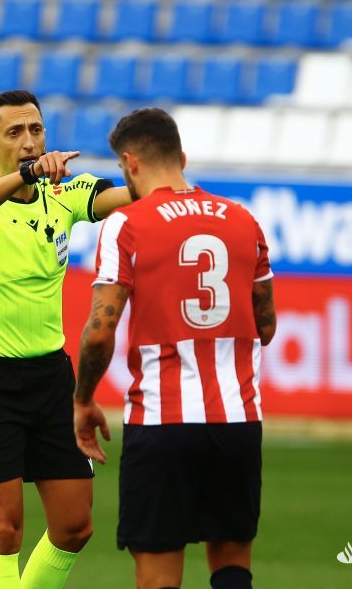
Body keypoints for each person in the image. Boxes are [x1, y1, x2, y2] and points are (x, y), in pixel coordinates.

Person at [73, 108, 277, 589]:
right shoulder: (243, 220)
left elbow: (100, 330)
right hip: (237, 419)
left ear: (129, 164)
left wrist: (82, 399)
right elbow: (265, 325)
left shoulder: (127, 223)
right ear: (182, 157)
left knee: (159, 575)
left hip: (162, 420)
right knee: (232, 565)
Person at [0, 90, 135, 588]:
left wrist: (161, 179)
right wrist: (25, 176)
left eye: (36, 130)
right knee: (3, 529)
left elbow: (127, 197)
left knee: (75, 527)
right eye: (14, 133)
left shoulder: (66, 196)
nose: (29, 142)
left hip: (52, 380)